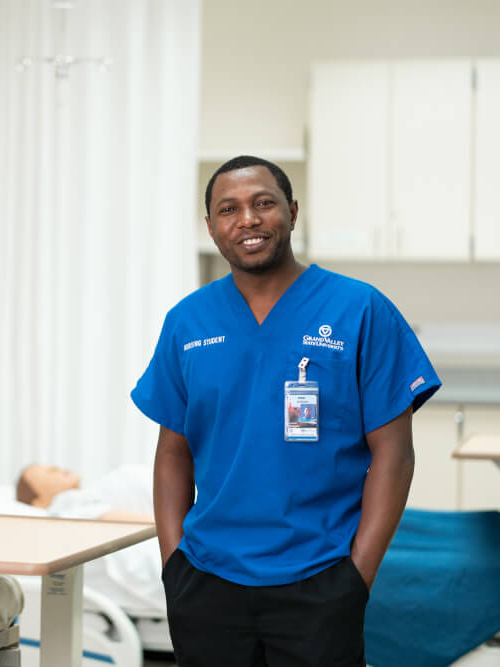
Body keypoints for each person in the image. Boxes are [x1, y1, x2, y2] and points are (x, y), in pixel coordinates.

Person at [131, 155, 440, 666]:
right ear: (211, 227)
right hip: (207, 581)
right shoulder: (187, 322)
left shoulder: (359, 309)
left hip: (321, 578)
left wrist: (356, 576)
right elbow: (172, 453)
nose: (247, 219)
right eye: (228, 209)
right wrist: (174, 565)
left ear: (293, 212)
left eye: (263, 203)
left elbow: (395, 455)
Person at [16, 463, 154, 523]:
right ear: (39, 502)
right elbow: (105, 517)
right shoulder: (63, 504)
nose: (56, 468)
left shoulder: (83, 495)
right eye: (49, 472)